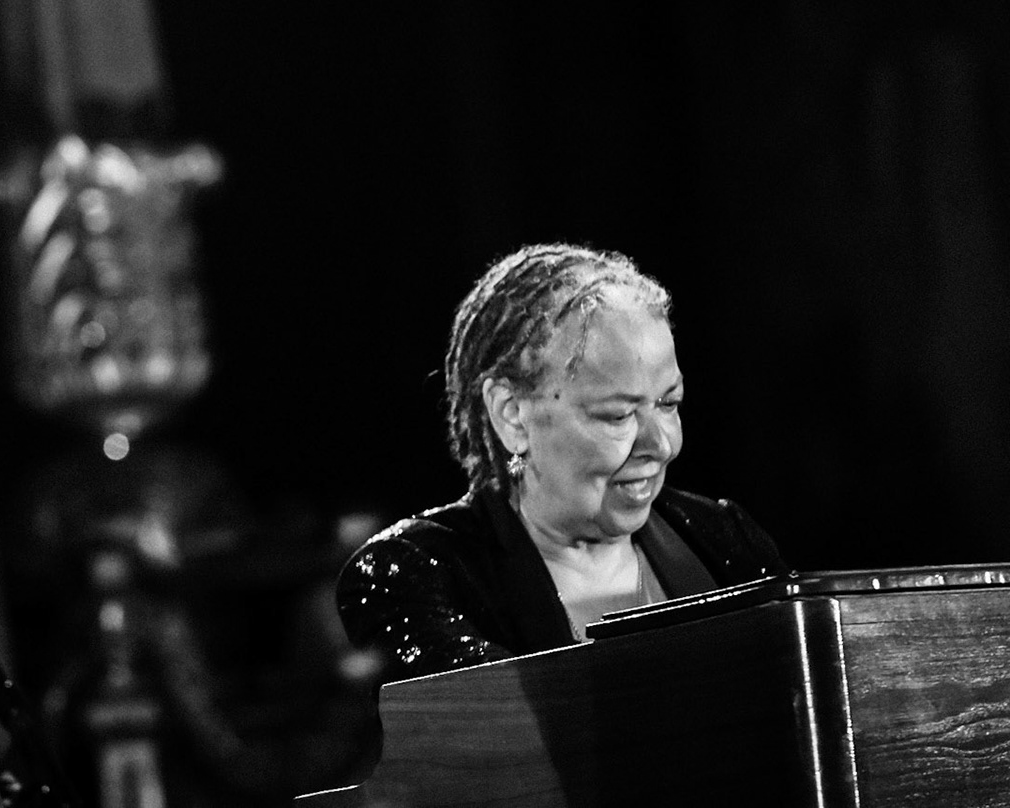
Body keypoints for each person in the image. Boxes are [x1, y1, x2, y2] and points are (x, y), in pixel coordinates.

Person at [336, 243, 788, 707]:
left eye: (668, 403)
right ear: (512, 414)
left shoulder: (724, 541)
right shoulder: (418, 576)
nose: (661, 444)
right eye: (617, 415)